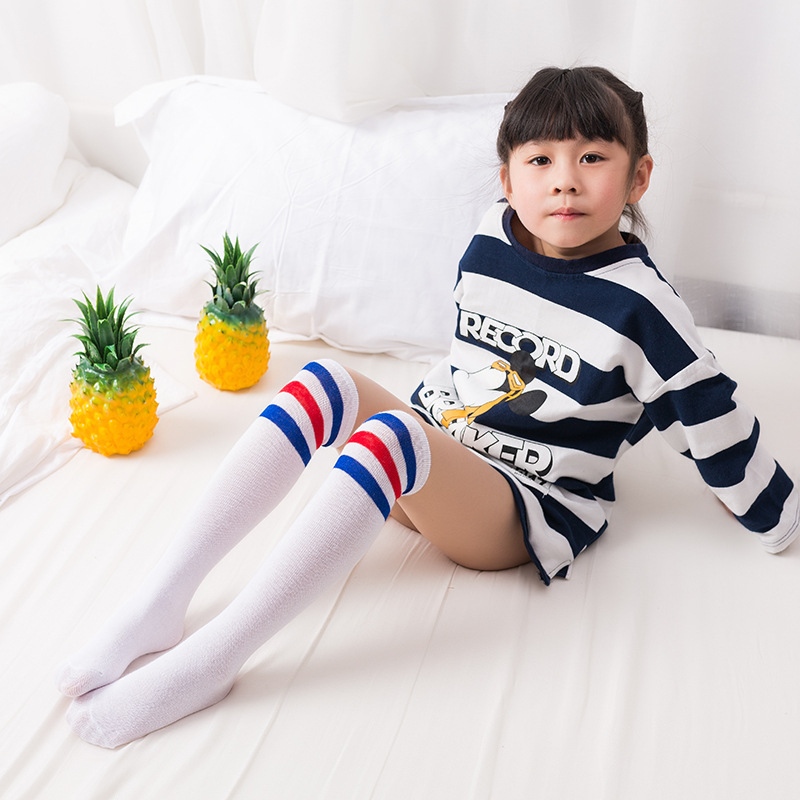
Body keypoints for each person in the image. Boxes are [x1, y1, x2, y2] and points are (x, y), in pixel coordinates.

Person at [55, 66, 799, 748]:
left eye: (593, 158)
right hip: (432, 456)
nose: (565, 182)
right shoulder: (490, 237)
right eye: (540, 160)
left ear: (638, 177)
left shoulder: (643, 306)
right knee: (323, 383)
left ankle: (213, 661)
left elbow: (706, 413)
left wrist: (775, 516)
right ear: (507, 179)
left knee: (388, 438)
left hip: (520, 504)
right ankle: (160, 601)